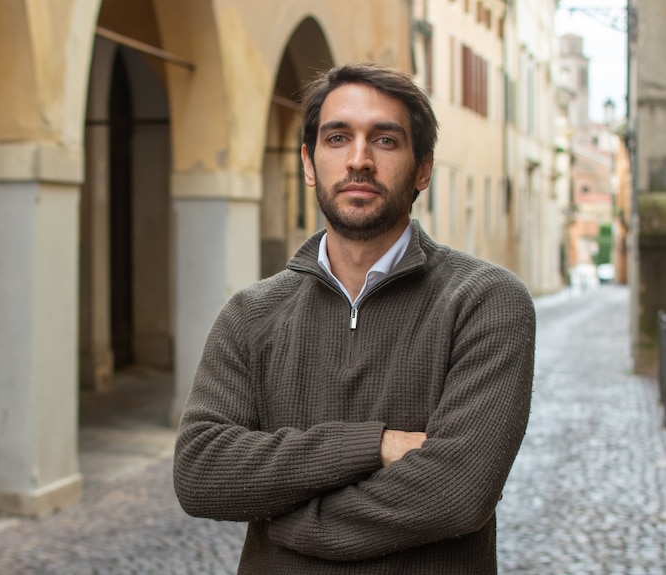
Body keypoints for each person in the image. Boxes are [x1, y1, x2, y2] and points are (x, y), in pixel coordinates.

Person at [173, 63, 535, 574]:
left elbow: (457, 490)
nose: (359, 160)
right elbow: (200, 470)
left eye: (385, 141)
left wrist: (296, 523)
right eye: (338, 137)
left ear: (423, 169)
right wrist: (375, 445)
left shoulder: (486, 302)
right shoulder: (251, 314)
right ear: (309, 162)